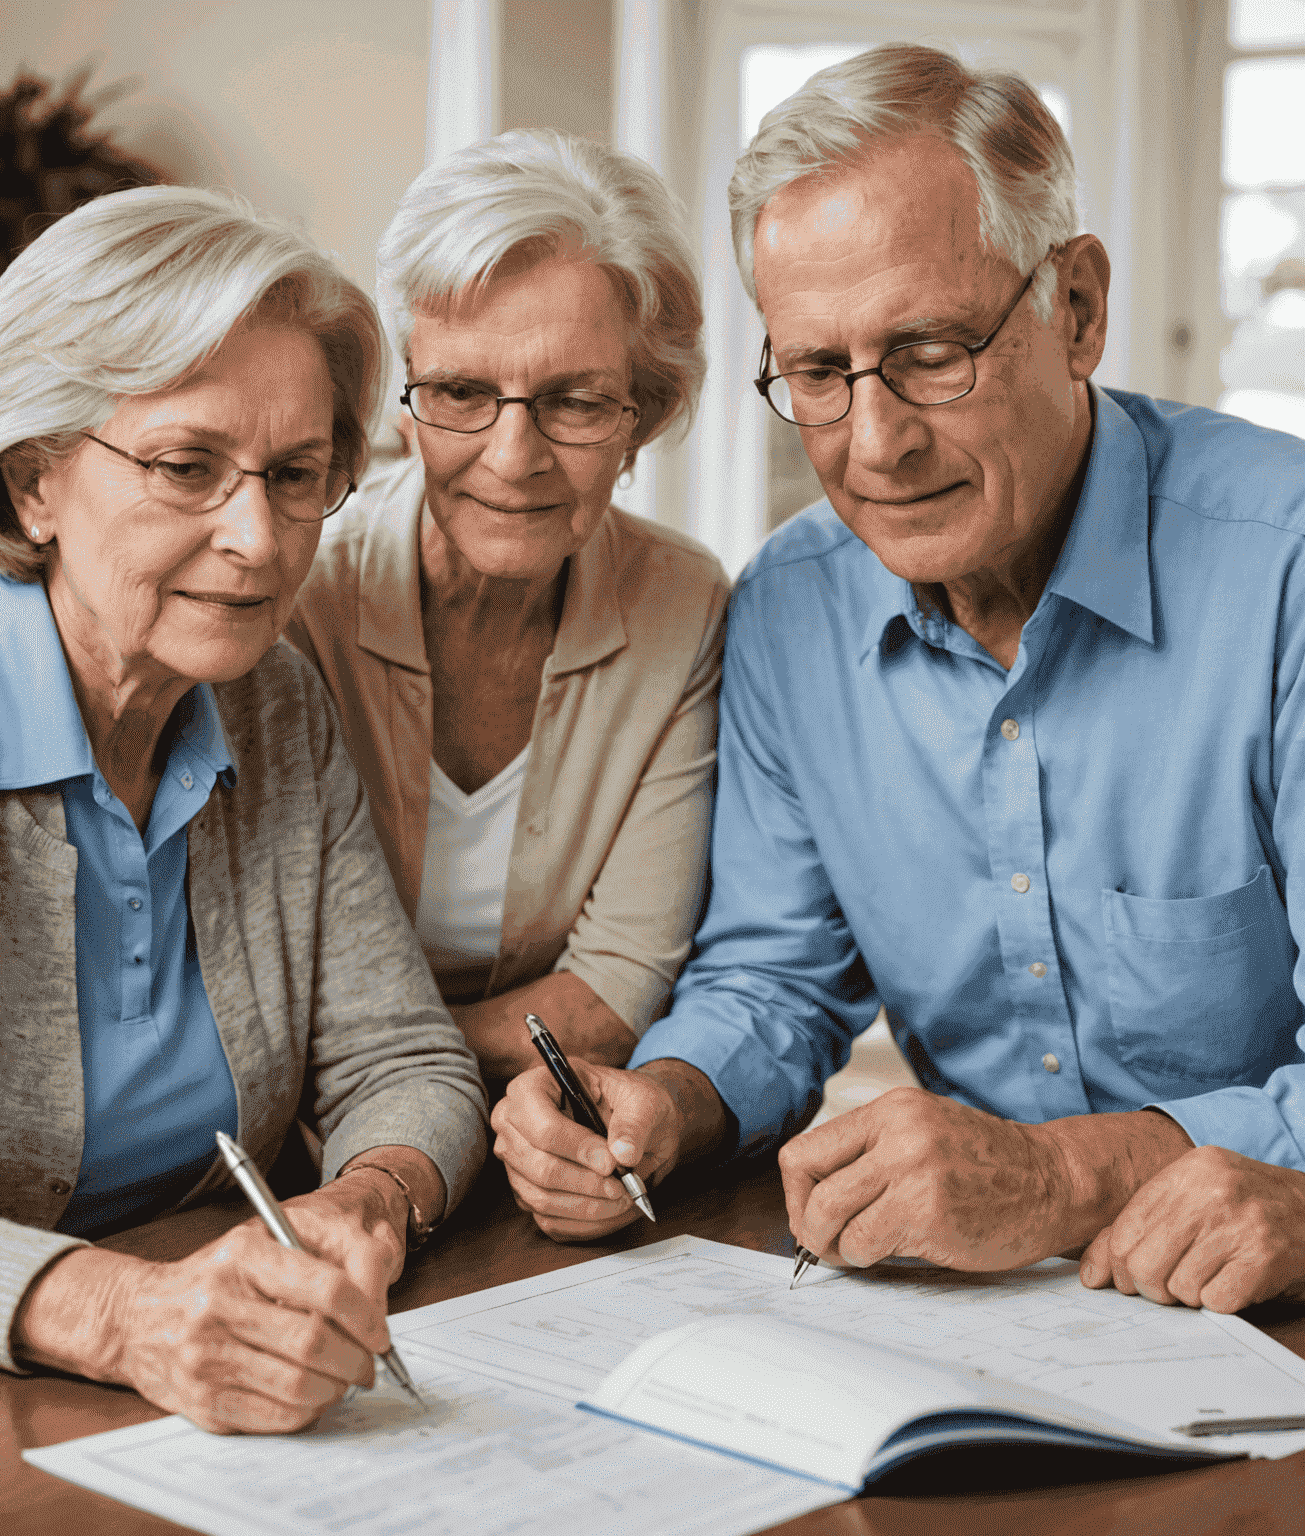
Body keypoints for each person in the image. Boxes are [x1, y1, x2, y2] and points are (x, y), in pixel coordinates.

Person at [492, 44, 1305, 1313]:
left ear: (1078, 309)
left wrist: (1062, 1176)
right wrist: (672, 1105)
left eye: (932, 350)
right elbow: (771, 977)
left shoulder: (1286, 569)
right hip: (982, 1321)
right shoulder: (787, 613)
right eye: (818, 373)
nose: (876, 444)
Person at [0, 130, 729, 1085]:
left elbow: (613, 988)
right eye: (463, 391)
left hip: (423, 1129)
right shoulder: (278, 595)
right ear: (406, 403)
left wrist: (388, 1071)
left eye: (576, 402)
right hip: (276, 1133)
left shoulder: (679, 608)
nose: (514, 456)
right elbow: (60, 592)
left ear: (640, 420)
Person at [0, 185, 487, 1433]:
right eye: (185, 467)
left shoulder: (276, 703)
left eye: (297, 473)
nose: (259, 539)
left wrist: (369, 1198)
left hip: (199, 1409)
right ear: (36, 478)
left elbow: (405, 1060)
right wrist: (123, 1314)